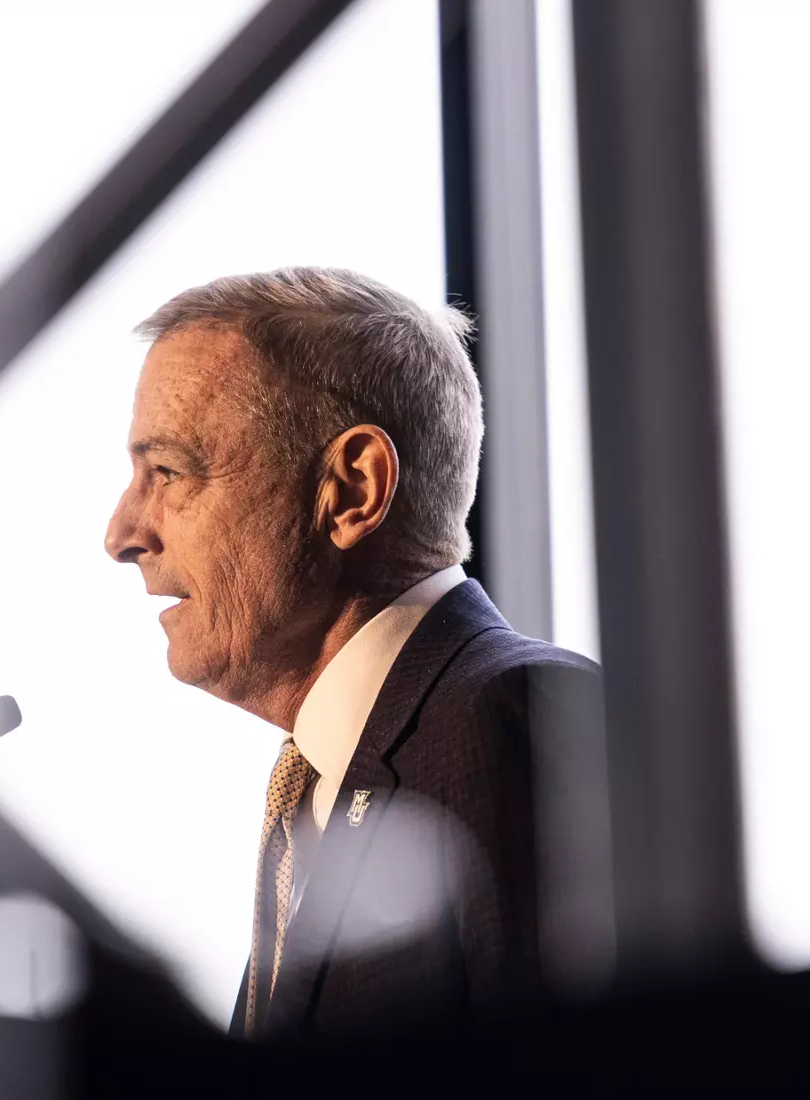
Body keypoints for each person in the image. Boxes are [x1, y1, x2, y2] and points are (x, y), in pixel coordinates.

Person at [103, 267, 602, 1043]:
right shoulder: (321, 788)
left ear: (352, 490)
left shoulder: (517, 713)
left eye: (168, 472)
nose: (123, 534)